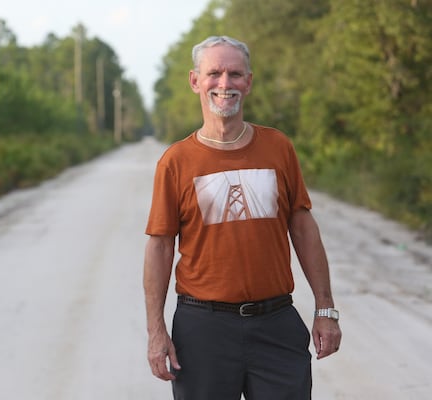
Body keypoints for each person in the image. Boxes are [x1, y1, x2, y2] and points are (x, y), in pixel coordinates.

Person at [143, 36, 342, 399]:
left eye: (235, 74)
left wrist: (325, 307)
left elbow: (303, 227)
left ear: (248, 82)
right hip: (203, 329)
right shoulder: (176, 162)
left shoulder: (278, 147)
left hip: (276, 323)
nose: (224, 83)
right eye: (214, 73)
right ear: (194, 81)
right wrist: (156, 330)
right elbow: (159, 245)